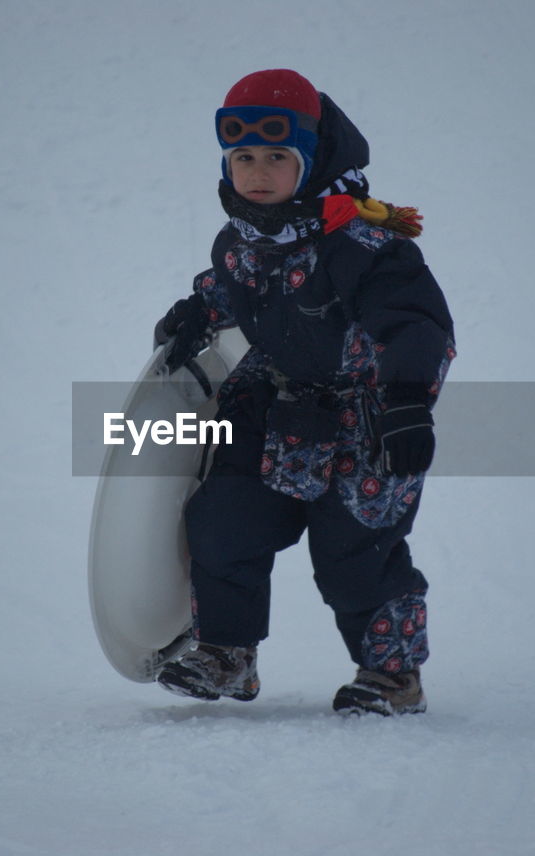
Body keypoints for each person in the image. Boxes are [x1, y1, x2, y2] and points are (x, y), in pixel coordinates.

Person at [153, 69, 455, 716]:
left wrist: (406, 400)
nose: (257, 173)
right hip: (274, 406)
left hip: (366, 418)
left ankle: (392, 674)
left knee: (355, 554)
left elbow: (416, 323)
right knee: (222, 519)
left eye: (275, 157)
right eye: (243, 158)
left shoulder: (367, 244)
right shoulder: (242, 241)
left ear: (311, 160)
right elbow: (233, 285)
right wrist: (194, 313)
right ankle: (227, 652)